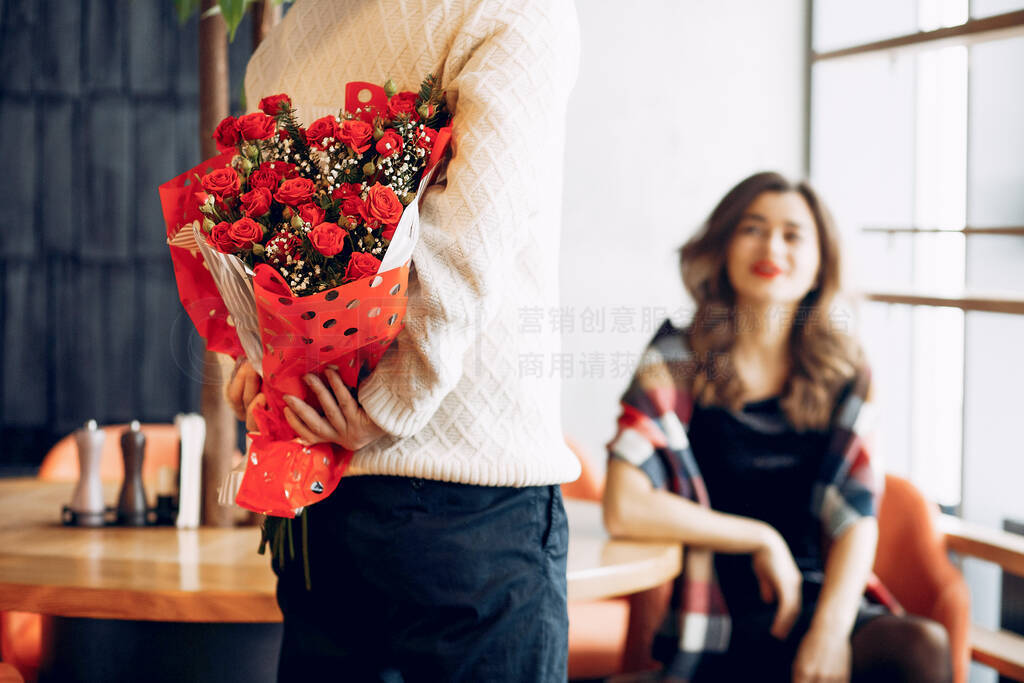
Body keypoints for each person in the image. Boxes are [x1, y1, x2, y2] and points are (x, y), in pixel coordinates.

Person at [225, 1, 582, 681]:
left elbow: (247, 240)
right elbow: (468, 238)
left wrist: (254, 363)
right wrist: (390, 402)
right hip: (462, 492)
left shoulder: (287, 40)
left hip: (318, 489)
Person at [603, 171, 952, 682]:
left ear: (818, 265)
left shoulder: (845, 371)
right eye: (753, 228)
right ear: (723, 248)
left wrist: (830, 632)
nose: (772, 246)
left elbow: (856, 515)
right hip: (713, 610)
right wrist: (760, 538)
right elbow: (624, 504)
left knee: (920, 647)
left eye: (793, 234)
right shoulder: (677, 359)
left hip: (817, 597)